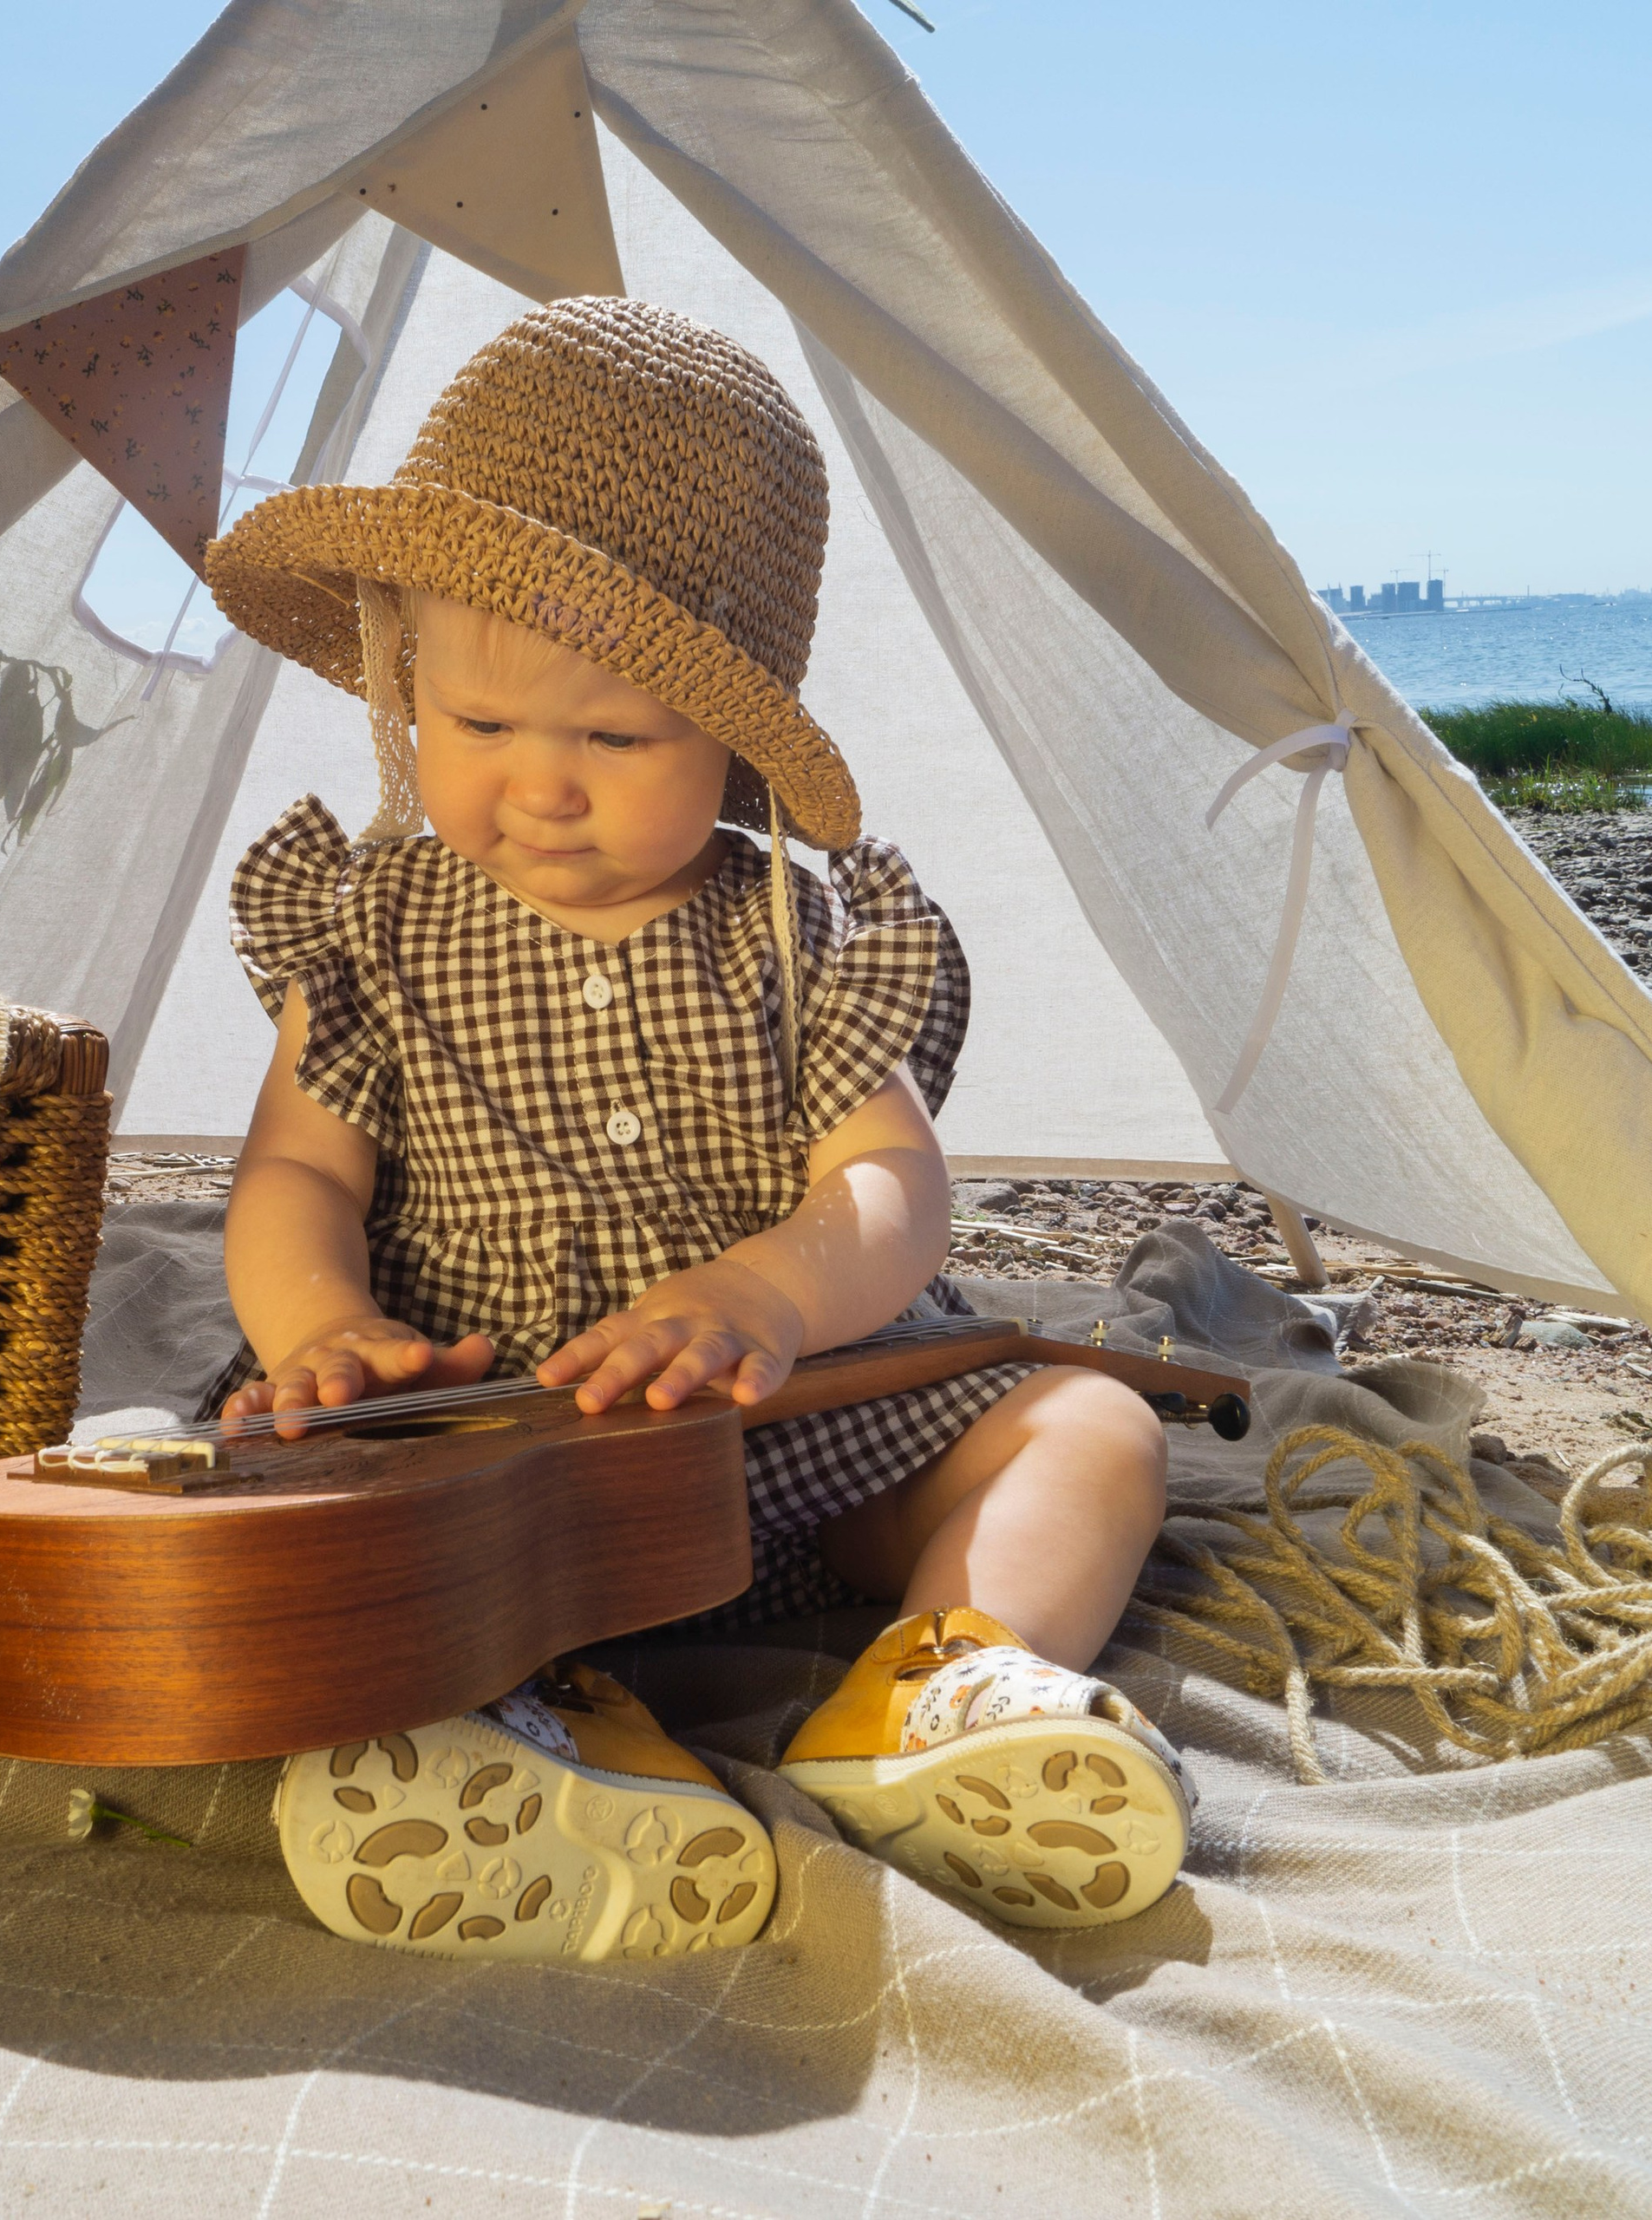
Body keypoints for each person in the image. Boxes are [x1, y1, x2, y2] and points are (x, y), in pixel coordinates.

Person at [200, 297, 1195, 1962]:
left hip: (790, 1432)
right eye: (479, 726)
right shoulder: (365, 926)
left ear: (729, 730)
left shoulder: (792, 935)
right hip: (484, 1439)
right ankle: (544, 1769)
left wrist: (770, 1292)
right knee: (306, 1557)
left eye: (613, 735)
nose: (541, 785)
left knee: (1092, 1433)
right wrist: (323, 1330)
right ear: (404, 688)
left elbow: (887, 1183)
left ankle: (945, 1688)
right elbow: (298, 1173)